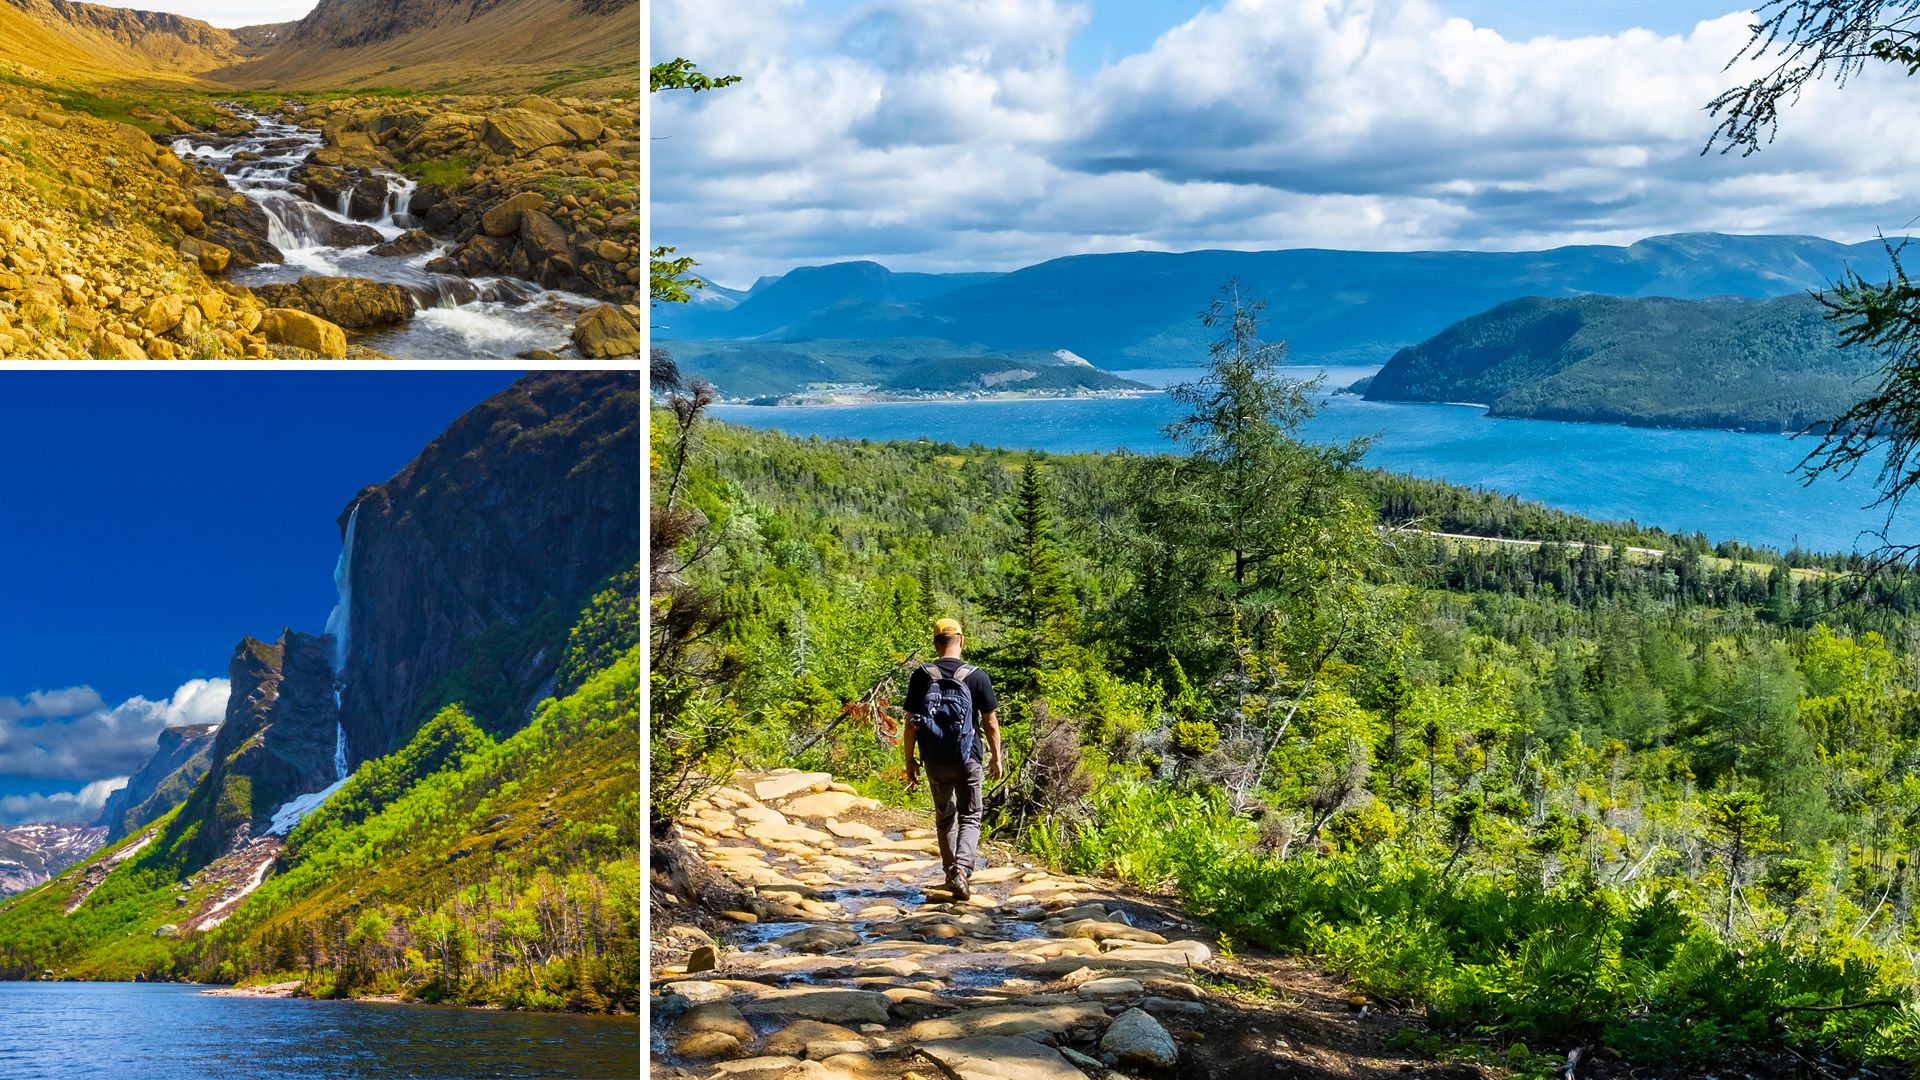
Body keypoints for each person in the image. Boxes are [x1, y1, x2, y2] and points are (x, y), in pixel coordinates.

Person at [902, 617, 1003, 900]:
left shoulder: (922, 675)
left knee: (945, 816)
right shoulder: (977, 676)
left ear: (936, 644)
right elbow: (990, 722)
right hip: (968, 756)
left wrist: (910, 760)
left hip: (934, 758)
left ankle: (951, 873)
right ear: (962, 641)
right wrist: (996, 757)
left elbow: (910, 723)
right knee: (970, 815)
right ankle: (962, 870)